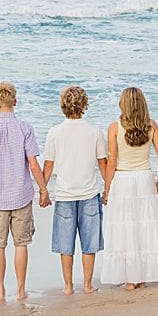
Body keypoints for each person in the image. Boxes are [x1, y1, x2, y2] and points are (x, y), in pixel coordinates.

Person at [0, 82, 49, 301]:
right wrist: (43, 189)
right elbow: (33, 164)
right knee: (21, 243)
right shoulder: (25, 128)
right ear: (14, 101)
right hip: (21, 194)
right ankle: (21, 289)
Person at [99, 87, 158, 289]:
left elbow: (112, 161)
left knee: (126, 228)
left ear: (122, 104)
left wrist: (107, 189)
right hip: (144, 179)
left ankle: (130, 278)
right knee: (144, 226)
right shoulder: (151, 125)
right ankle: (141, 277)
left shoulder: (114, 128)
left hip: (123, 179)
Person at [43, 85, 107, 295]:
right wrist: (108, 187)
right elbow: (102, 163)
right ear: (84, 105)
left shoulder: (55, 132)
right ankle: (87, 285)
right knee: (89, 243)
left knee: (65, 243)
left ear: (63, 106)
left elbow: (48, 165)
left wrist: (43, 190)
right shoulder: (94, 131)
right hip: (89, 193)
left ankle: (68, 286)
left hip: (64, 194)